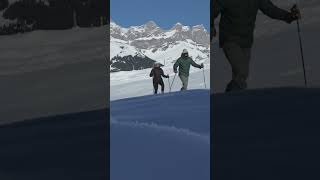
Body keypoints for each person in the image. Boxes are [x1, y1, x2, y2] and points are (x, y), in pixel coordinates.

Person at [212, 0, 301, 92]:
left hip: (246, 41)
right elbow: (211, 10)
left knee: (240, 76)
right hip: (229, 39)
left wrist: (288, 16)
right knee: (241, 72)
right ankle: (232, 96)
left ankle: (234, 99)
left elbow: (270, 9)